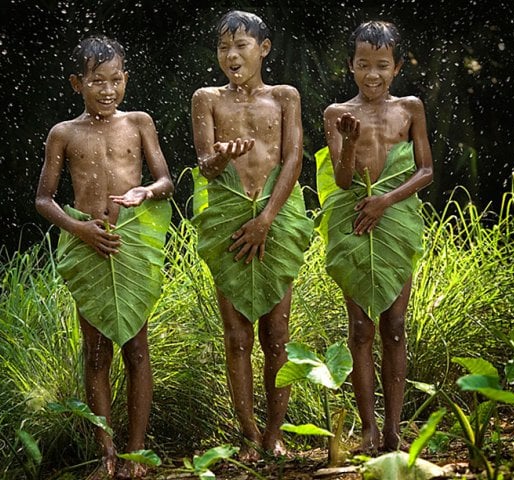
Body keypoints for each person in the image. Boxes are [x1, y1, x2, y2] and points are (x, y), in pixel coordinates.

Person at [35, 35, 174, 479]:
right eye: (97, 81)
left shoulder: (139, 122)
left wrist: (145, 191)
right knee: (95, 354)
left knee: (137, 348)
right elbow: (44, 199)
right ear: (78, 83)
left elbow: (166, 181)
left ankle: (135, 453)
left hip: (130, 245)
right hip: (88, 245)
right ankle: (106, 454)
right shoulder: (64, 133)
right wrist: (79, 229)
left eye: (115, 80)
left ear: (126, 79)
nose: (108, 90)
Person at [190, 10, 313, 462]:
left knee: (276, 333)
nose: (231, 55)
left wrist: (267, 219)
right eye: (224, 47)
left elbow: (294, 158)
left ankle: (275, 434)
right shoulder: (206, 98)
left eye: (241, 45)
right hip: (227, 218)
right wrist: (221, 158)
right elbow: (205, 163)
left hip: (276, 217)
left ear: (263, 49)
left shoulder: (285, 97)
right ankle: (247, 434)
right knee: (236, 334)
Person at [318, 20, 433, 454]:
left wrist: (386, 200)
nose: (372, 75)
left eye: (382, 66)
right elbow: (344, 180)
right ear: (350, 66)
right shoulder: (336, 113)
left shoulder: (410, 108)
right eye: (363, 65)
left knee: (396, 326)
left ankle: (393, 430)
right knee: (361, 326)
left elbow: (426, 171)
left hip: (395, 219)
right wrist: (348, 143)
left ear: (397, 67)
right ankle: (368, 428)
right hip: (353, 218)